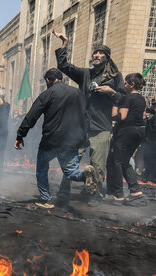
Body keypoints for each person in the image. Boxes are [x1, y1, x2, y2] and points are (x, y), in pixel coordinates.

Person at [52, 28, 125, 199]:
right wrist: (65, 43)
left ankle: (93, 194)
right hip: (81, 127)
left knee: (98, 166)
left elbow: (123, 99)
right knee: (71, 160)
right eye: (95, 53)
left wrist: (111, 92)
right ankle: (64, 191)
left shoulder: (115, 77)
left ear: (106, 57)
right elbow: (63, 66)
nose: (96, 55)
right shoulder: (85, 74)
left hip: (101, 128)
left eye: (100, 53)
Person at [15, 68, 97, 209]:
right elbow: (85, 117)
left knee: (41, 168)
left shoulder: (48, 93)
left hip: (51, 140)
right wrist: (83, 137)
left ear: (48, 80)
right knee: (71, 172)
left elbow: (32, 115)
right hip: (72, 140)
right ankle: (85, 176)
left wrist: (20, 135)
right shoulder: (77, 93)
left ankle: (46, 199)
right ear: (62, 79)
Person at [107, 73, 146, 201]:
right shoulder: (141, 99)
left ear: (131, 84)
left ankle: (118, 194)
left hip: (126, 131)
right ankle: (135, 190)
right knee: (124, 161)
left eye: (126, 82)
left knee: (117, 161)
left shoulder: (127, 98)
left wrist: (114, 108)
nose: (124, 85)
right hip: (139, 131)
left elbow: (121, 117)